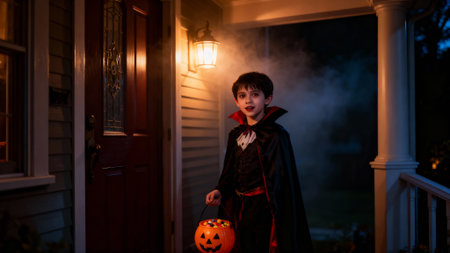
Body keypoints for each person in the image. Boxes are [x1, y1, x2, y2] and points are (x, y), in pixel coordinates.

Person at [205, 72, 313, 252]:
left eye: (255, 94)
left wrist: (274, 210)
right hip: (239, 208)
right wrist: (220, 190)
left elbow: (281, 180)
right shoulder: (235, 134)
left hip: (265, 210)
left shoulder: (277, 135)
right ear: (236, 101)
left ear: (267, 99)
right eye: (242, 96)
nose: (248, 100)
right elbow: (230, 172)